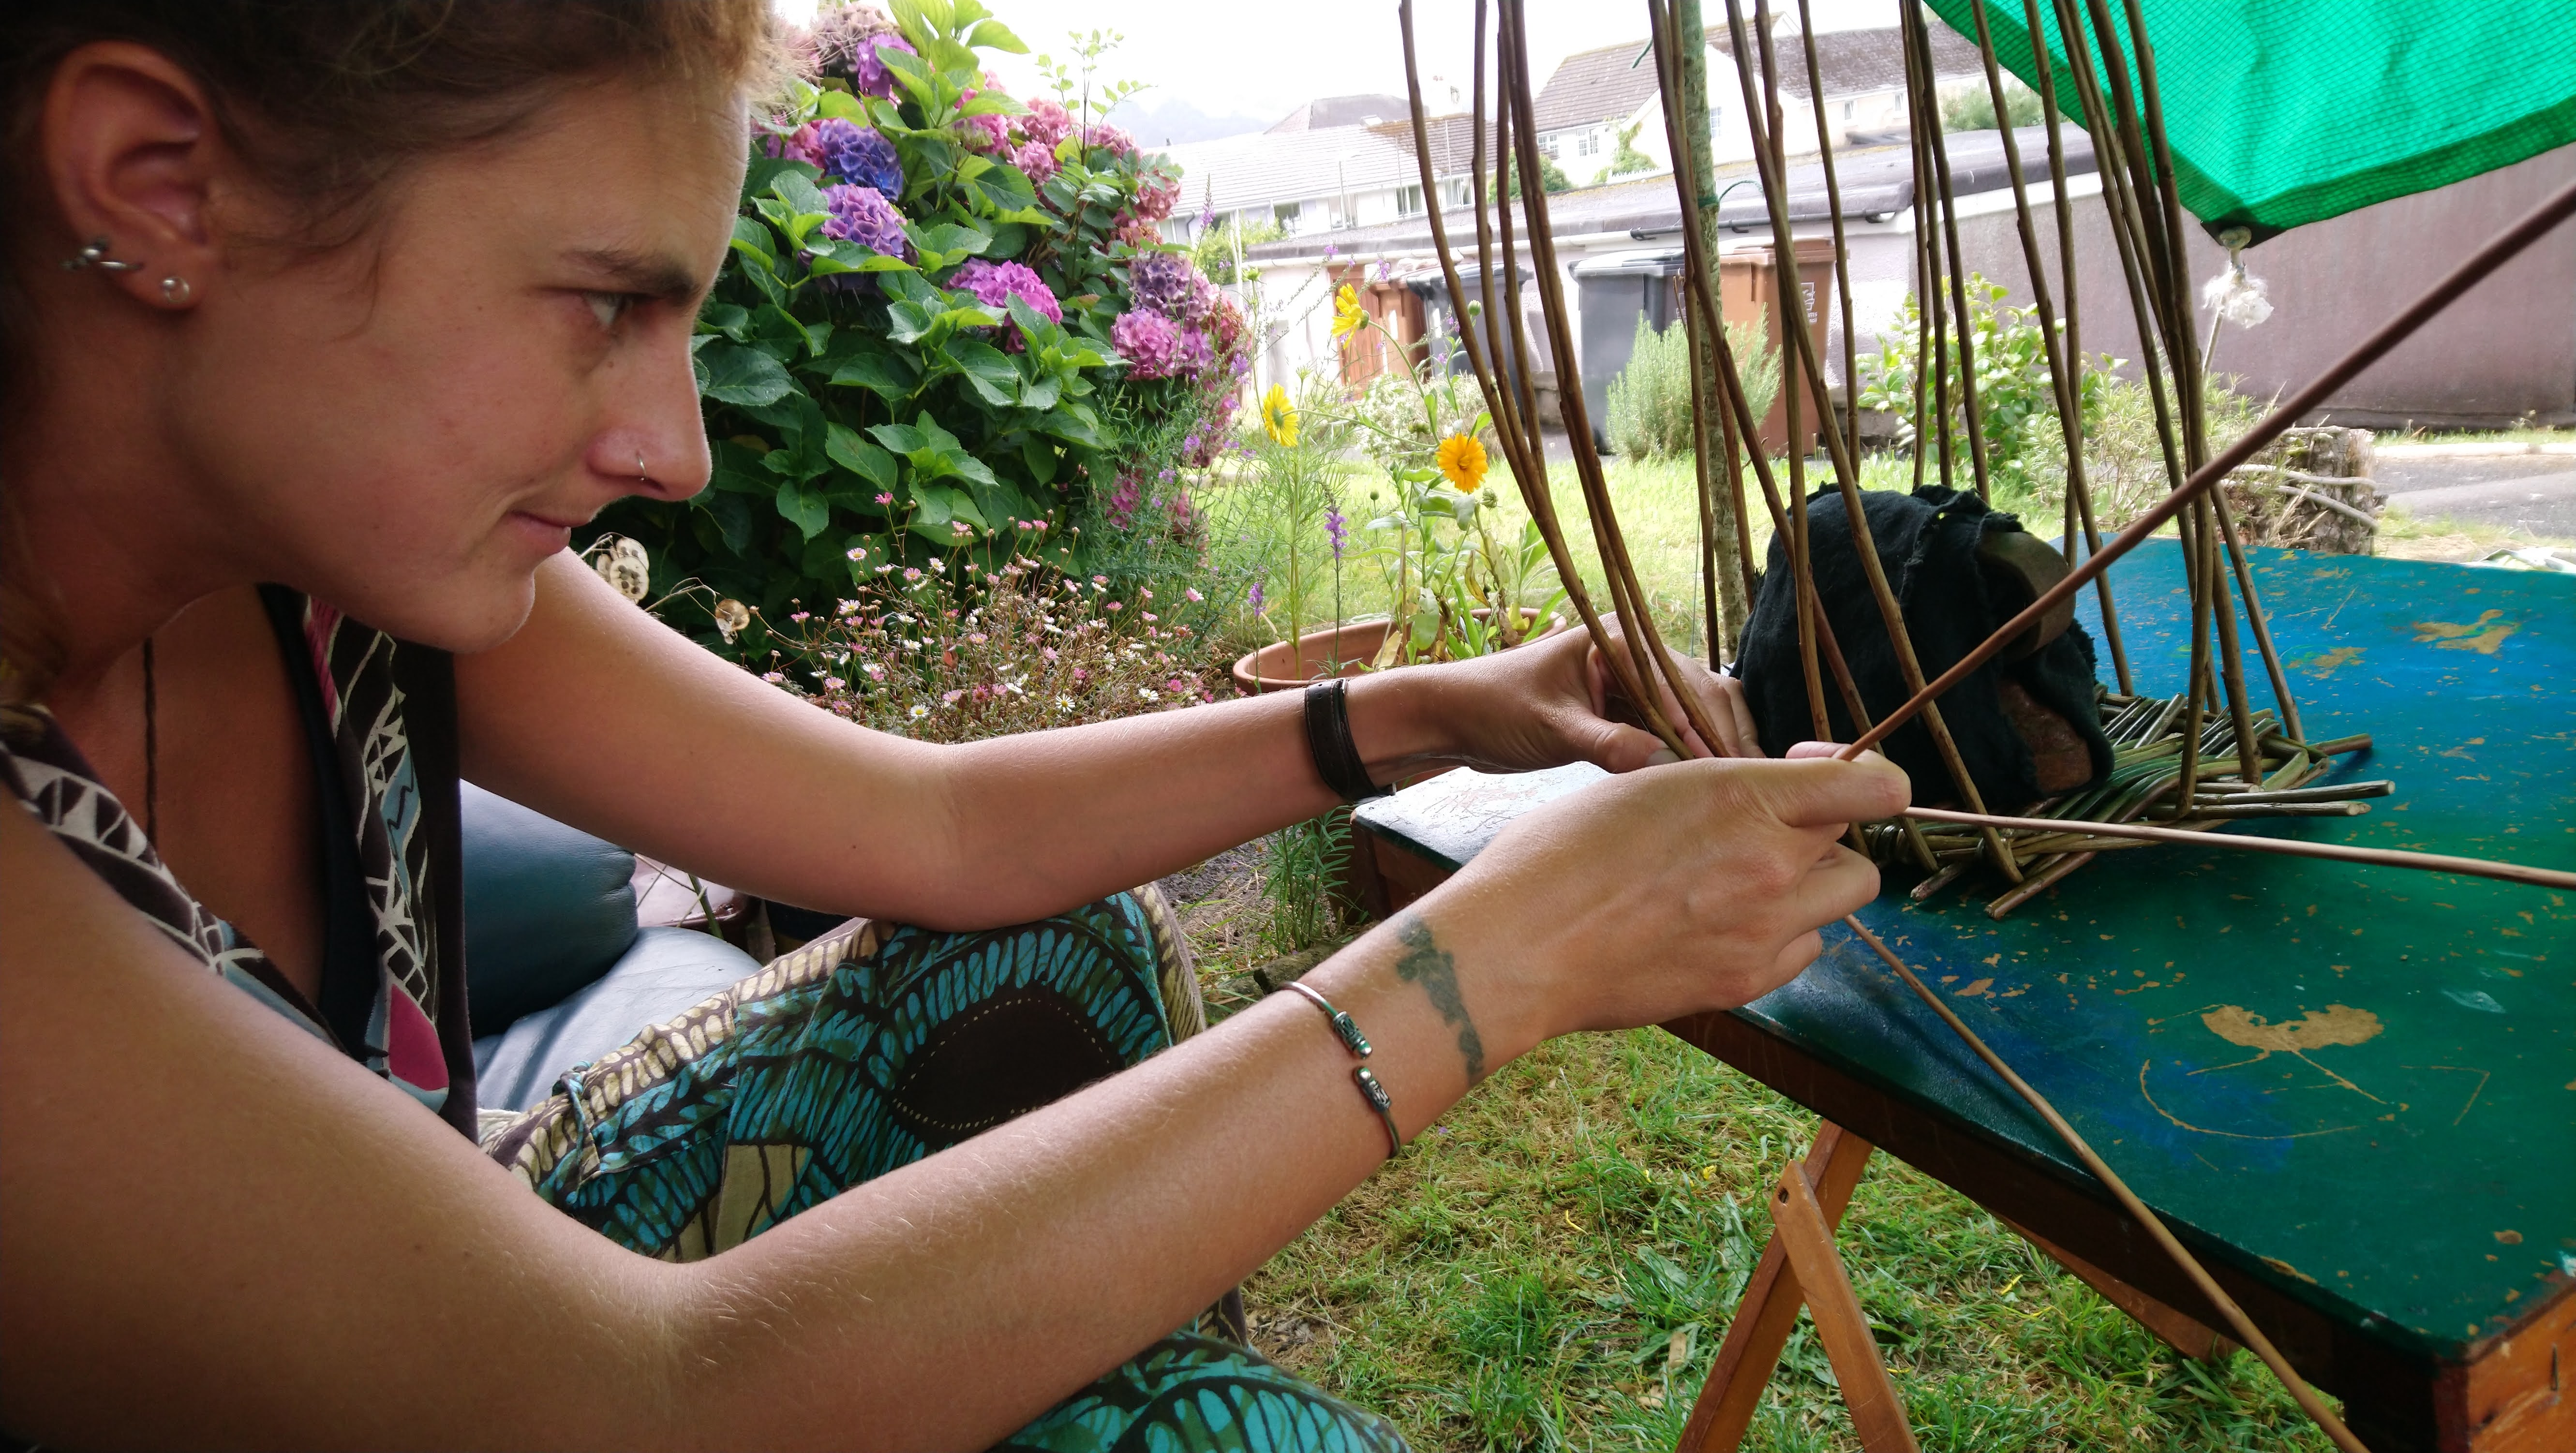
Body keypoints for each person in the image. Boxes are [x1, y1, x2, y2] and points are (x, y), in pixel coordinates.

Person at [0, 3, 1906, 1447]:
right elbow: (643, 1403)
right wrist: (1515, 951)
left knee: (1059, 955)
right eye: (597, 304)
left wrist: (1417, 714)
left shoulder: (321, 570)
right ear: (159, 186)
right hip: (578, 1387)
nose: (675, 449)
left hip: (522, 1292)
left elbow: (940, 832)